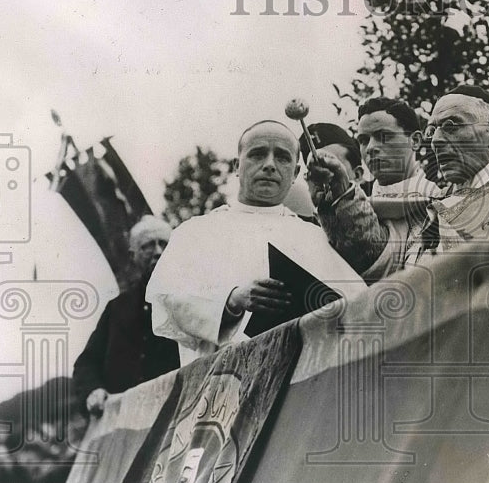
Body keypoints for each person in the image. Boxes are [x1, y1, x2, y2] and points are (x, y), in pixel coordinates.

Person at [148, 120, 367, 365]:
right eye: (258, 154)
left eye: (282, 158)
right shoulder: (194, 232)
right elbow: (167, 302)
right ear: (236, 166)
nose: (270, 165)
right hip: (220, 382)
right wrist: (232, 301)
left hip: (299, 380)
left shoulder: (314, 236)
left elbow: (359, 309)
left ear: (295, 173)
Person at [309, 85, 489, 281]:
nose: (437, 141)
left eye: (451, 126)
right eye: (433, 130)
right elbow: (384, 267)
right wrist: (342, 196)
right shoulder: (438, 203)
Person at [72, 216, 180, 417]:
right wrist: (93, 390)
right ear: (133, 256)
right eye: (148, 245)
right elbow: (87, 362)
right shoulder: (117, 308)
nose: (158, 252)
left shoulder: (192, 299)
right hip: (125, 423)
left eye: (164, 244)